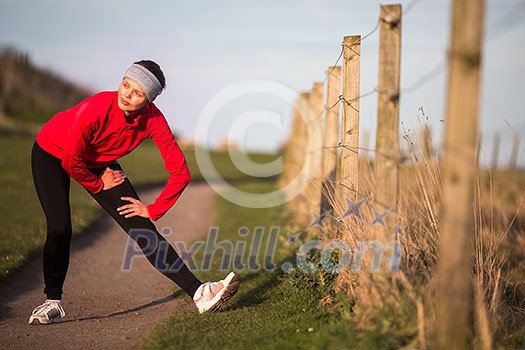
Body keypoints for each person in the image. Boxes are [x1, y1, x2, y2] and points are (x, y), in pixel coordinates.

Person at [28, 60, 240, 325]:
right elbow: (72, 161)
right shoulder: (96, 108)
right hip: (52, 152)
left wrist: (152, 209)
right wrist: (98, 183)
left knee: (143, 228)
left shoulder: (153, 119)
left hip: (99, 162)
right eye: (126, 85)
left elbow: (181, 173)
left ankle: (198, 292)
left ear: (148, 100)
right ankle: (52, 302)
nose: (126, 95)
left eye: (137, 93)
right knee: (60, 227)